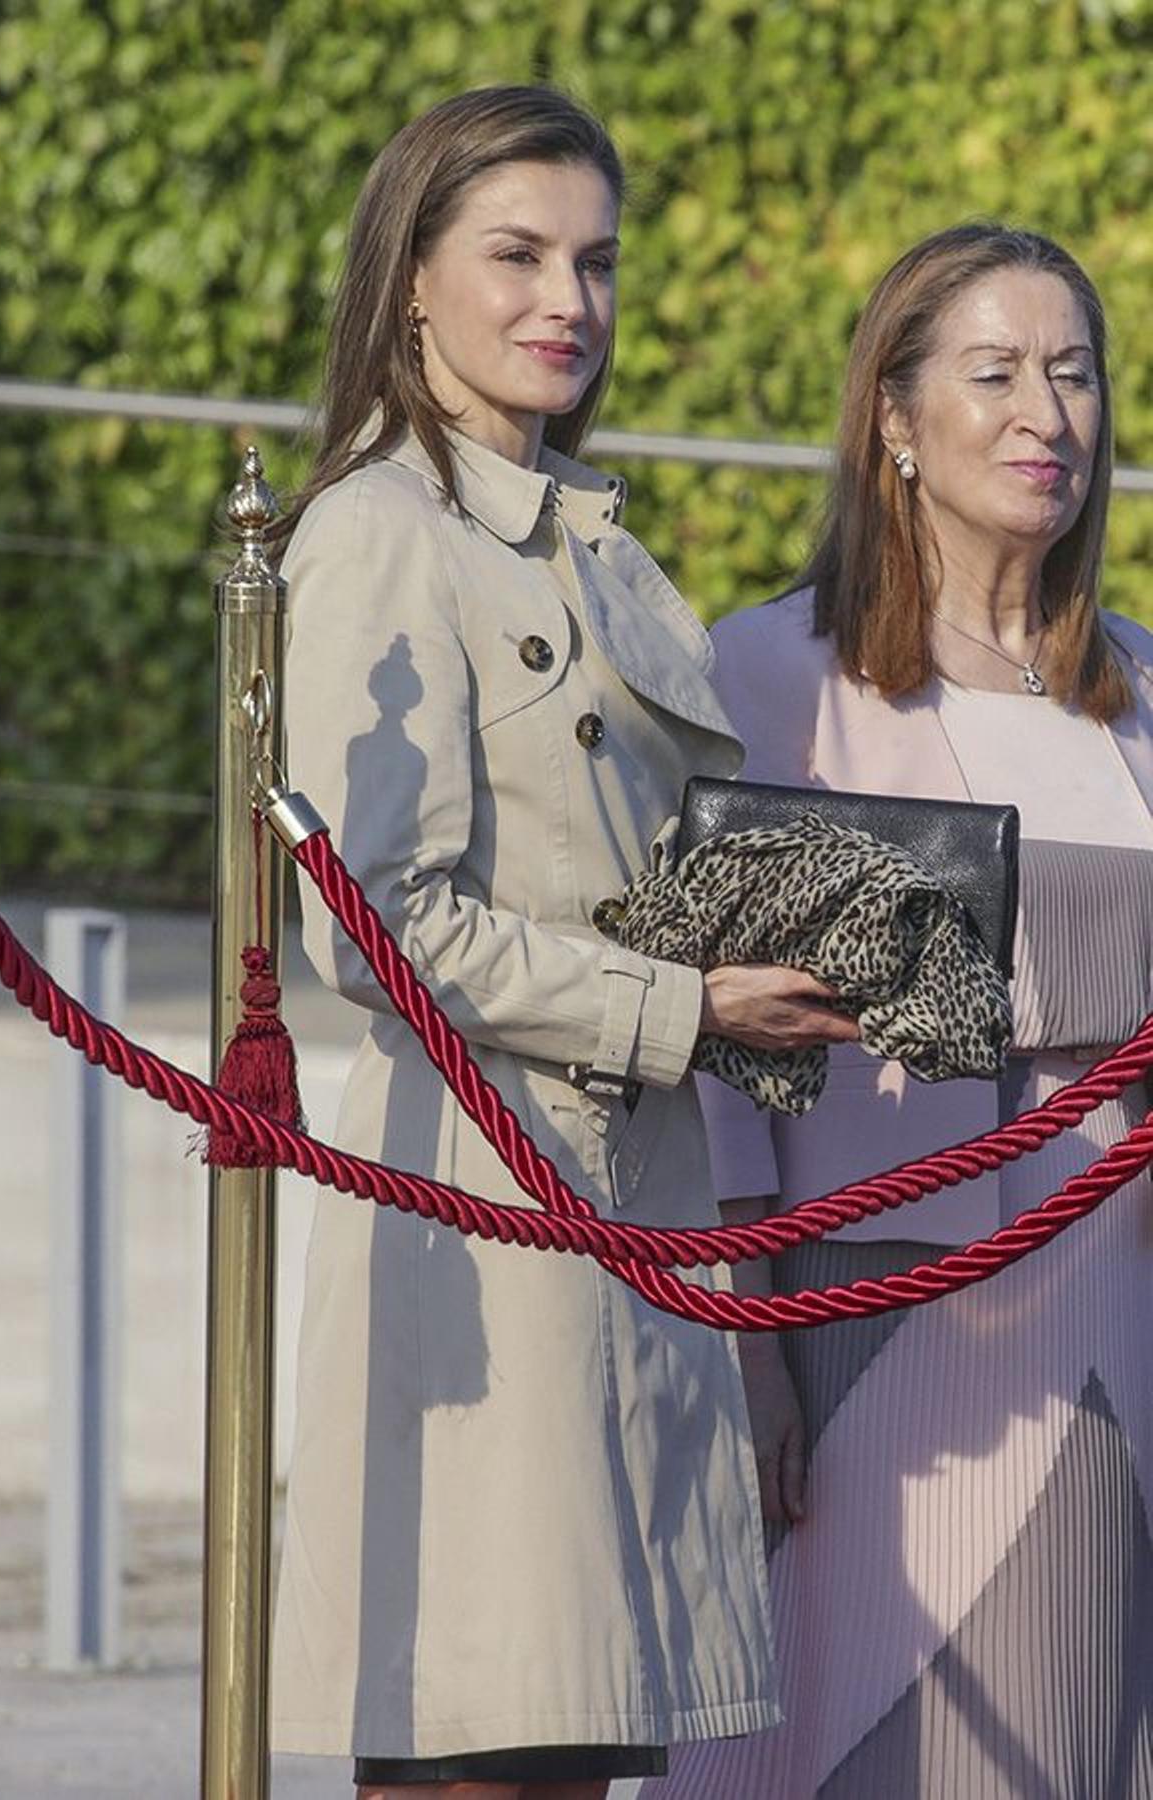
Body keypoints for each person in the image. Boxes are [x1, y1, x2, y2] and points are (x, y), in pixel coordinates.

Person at [271, 86, 858, 1800]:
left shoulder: (589, 541)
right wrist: (676, 1007)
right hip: (486, 1203)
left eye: (595, 262)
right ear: (410, 284)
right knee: (485, 1741)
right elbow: (368, 922)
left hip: (628, 1207)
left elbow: (631, 866)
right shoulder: (382, 535)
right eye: (517, 255)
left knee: (581, 1742)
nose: (568, 303)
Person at [643, 223, 1153, 1799]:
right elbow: (718, 1048)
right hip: (869, 1300)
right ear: (895, 419)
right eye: (994, 373)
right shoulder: (774, 670)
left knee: (1071, 1729)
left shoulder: (1137, 679)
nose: (1042, 415)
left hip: (1110, 1290)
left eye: (1071, 374)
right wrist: (743, 1337)